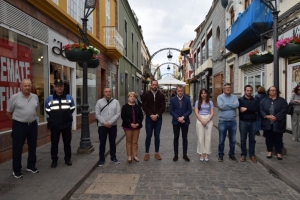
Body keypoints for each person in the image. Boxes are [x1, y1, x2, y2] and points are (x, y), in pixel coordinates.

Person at [6, 79, 39, 178]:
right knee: (17, 148)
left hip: (32, 124)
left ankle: (31, 166)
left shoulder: (35, 97)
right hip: (19, 125)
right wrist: (16, 122)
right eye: (25, 86)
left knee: (32, 146)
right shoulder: (14, 97)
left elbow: (36, 110)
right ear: (21, 87)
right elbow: (8, 112)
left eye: (29, 85)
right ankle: (16, 170)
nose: (28, 87)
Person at [45, 79, 75, 168]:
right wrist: (54, 118)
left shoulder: (69, 98)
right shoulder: (49, 98)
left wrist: (66, 117)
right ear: (54, 87)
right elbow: (47, 110)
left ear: (63, 87)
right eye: (57, 86)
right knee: (54, 144)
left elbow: (72, 109)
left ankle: (67, 159)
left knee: (67, 143)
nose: (59, 88)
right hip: (55, 125)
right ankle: (54, 160)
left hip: (66, 125)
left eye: (61, 86)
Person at [260, 86, 287, 160]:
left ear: (277, 92)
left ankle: (279, 153)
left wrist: (276, 117)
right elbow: (260, 109)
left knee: (278, 139)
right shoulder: (264, 100)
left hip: (278, 123)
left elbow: (284, 109)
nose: (273, 92)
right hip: (267, 123)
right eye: (271, 90)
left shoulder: (281, 100)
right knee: (269, 138)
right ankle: (269, 152)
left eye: (274, 90)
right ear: (268, 91)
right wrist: (266, 116)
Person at [95, 87, 121, 166]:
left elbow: (118, 113)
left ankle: (113, 157)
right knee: (102, 143)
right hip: (102, 126)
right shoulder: (99, 102)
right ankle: (101, 159)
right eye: (106, 92)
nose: (108, 93)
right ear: (103, 93)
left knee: (112, 142)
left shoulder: (116, 102)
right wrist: (104, 122)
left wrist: (110, 122)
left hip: (113, 126)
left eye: (109, 91)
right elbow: (97, 114)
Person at [142, 80, 166, 161]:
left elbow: (163, 107)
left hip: (158, 119)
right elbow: (144, 106)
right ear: (151, 85)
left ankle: (156, 152)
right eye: (153, 85)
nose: (154, 86)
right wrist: (151, 115)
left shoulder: (161, 95)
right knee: (148, 135)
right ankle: (146, 153)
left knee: (157, 135)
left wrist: (157, 115)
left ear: (157, 85)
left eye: (156, 85)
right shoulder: (146, 95)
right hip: (149, 118)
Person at [169, 85, 192, 162]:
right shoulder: (172, 99)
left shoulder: (187, 99)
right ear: (176, 91)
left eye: (181, 91)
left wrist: (183, 117)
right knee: (176, 138)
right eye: (179, 91)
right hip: (176, 122)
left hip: (185, 121)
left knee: (185, 138)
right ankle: (176, 155)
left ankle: (185, 155)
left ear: (183, 91)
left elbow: (190, 110)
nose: (180, 92)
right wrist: (178, 118)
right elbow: (171, 110)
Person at [217, 83, 239, 162]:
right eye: (226, 88)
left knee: (233, 140)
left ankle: (231, 155)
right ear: (223, 89)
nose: (228, 89)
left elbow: (237, 105)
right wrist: (231, 105)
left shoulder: (234, 97)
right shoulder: (220, 97)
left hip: (233, 121)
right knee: (221, 140)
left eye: (229, 88)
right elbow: (221, 106)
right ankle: (220, 155)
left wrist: (225, 105)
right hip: (223, 121)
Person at [238, 85, 259, 163]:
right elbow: (241, 110)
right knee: (243, 140)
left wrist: (246, 109)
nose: (249, 92)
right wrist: (252, 110)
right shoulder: (240, 100)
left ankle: (252, 155)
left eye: (250, 90)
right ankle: (243, 155)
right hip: (243, 121)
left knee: (252, 139)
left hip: (253, 122)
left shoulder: (255, 100)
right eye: (248, 90)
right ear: (244, 91)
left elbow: (257, 109)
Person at [121, 92, 144, 163]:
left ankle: (135, 155)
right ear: (128, 98)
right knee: (128, 141)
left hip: (137, 127)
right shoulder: (125, 107)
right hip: (128, 127)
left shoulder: (138, 107)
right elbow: (123, 117)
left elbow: (141, 116)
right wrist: (130, 124)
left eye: (133, 96)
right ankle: (129, 156)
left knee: (135, 142)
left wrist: (138, 123)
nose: (132, 97)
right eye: (130, 96)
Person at [194, 89, 214, 162]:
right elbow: (196, 112)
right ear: (200, 94)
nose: (203, 94)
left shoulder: (210, 102)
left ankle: (207, 154)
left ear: (207, 94)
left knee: (208, 138)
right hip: (200, 119)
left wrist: (207, 120)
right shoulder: (197, 102)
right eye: (202, 93)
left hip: (208, 119)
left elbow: (212, 113)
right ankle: (201, 154)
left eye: (205, 93)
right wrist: (202, 120)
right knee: (200, 137)